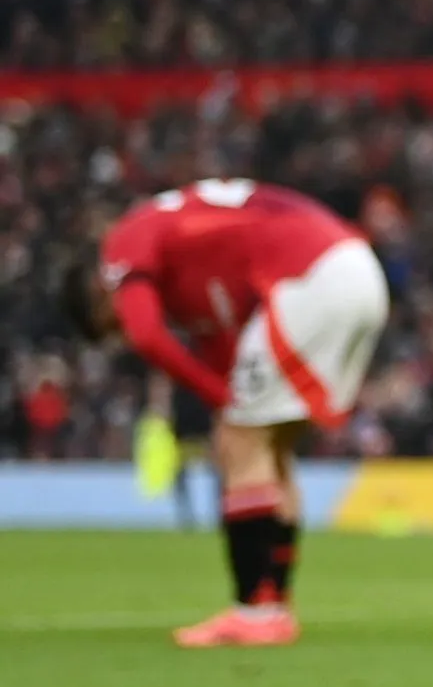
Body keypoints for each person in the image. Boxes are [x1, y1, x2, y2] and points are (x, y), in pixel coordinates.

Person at [57, 178, 389, 648]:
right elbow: (220, 344)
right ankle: (275, 605)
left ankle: (254, 611)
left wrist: (216, 397)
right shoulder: (190, 270)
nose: (124, 329)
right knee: (272, 446)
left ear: (100, 291)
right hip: (350, 268)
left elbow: (148, 334)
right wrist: (225, 395)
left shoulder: (124, 245)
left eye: (113, 324)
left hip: (309, 277)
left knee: (240, 440)